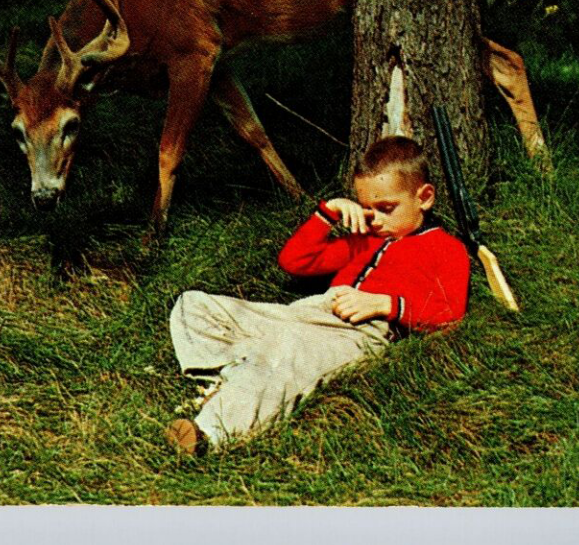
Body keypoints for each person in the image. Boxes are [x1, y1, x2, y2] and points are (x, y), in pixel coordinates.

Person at [164, 135, 471, 455]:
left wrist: (385, 304)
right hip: (310, 311)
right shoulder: (365, 239)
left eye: (386, 209)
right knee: (194, 304)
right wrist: (329, 212)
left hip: (358, 331)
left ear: (424, 197)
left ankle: (209, 434)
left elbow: (449, 313)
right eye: (367, 209)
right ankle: (232, 376)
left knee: (291, 359)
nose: (375, 220)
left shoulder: (447, 249)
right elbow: (295, 261)